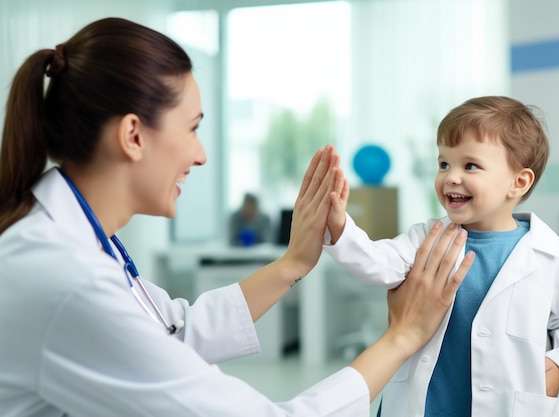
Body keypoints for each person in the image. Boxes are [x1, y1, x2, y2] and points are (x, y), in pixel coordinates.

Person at [0, 17, 475, 417]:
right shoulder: (66, 279)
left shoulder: (70, 245)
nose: (201, 154)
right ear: (133, 135)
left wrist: (294, 262)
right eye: (192, 129)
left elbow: (174, 334)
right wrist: (402, 337)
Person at [324, 96, 559, 417]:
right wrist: (341, 227)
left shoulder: (554, 257)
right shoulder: (423, 238)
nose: (451, 176)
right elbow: (378, 263)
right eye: (444, 163)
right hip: (425, 405)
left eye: (470, 165)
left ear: (518, 182)